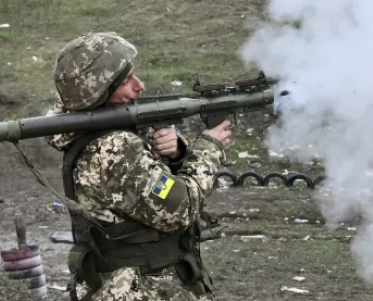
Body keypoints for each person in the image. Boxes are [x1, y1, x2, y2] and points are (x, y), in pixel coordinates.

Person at [44, 32, 232, 301]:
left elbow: (146, 187)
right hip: (143, 289)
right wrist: (209, 148)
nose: (139, 86)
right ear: (99, 93)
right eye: (126, 81)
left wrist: (175, 152)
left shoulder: (97, 134)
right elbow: (182, 208)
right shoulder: (116, 148)